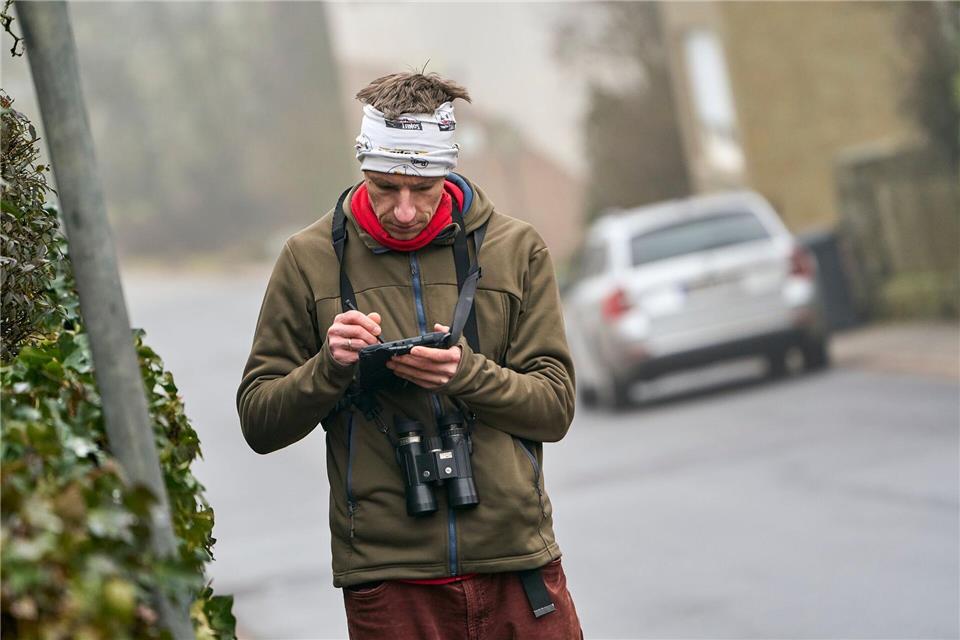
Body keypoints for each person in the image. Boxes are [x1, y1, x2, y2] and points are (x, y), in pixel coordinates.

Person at [237, 71, 581, 639]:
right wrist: (329, 367)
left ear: (446, 171)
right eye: (383, 187)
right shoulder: (306, 259)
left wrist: (465, 373)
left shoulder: (517, 248)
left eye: (421, 189)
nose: (403, 210)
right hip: (388, 580)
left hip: (516, 565)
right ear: (362, 170)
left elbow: (555, 408)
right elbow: (258, 421)